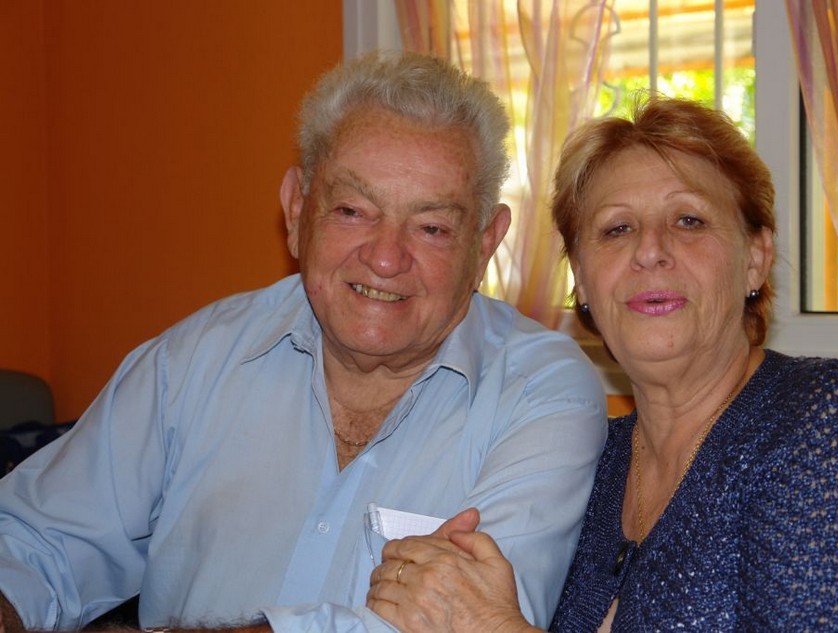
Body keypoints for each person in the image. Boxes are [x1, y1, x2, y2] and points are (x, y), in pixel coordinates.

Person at [0, 51, 608, 632]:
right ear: (296, 210)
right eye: (352, 211)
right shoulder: (193, 362)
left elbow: (470, 624)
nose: (385, 258)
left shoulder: (539, 392)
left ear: (484, 244)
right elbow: (35, 538)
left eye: (431, 227)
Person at [366, 95, 838, 631]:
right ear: (582, 280)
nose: (649, 250)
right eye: (616, 229)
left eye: (688, 220)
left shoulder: (836, 421)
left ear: (755, 258)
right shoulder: (589, 464)